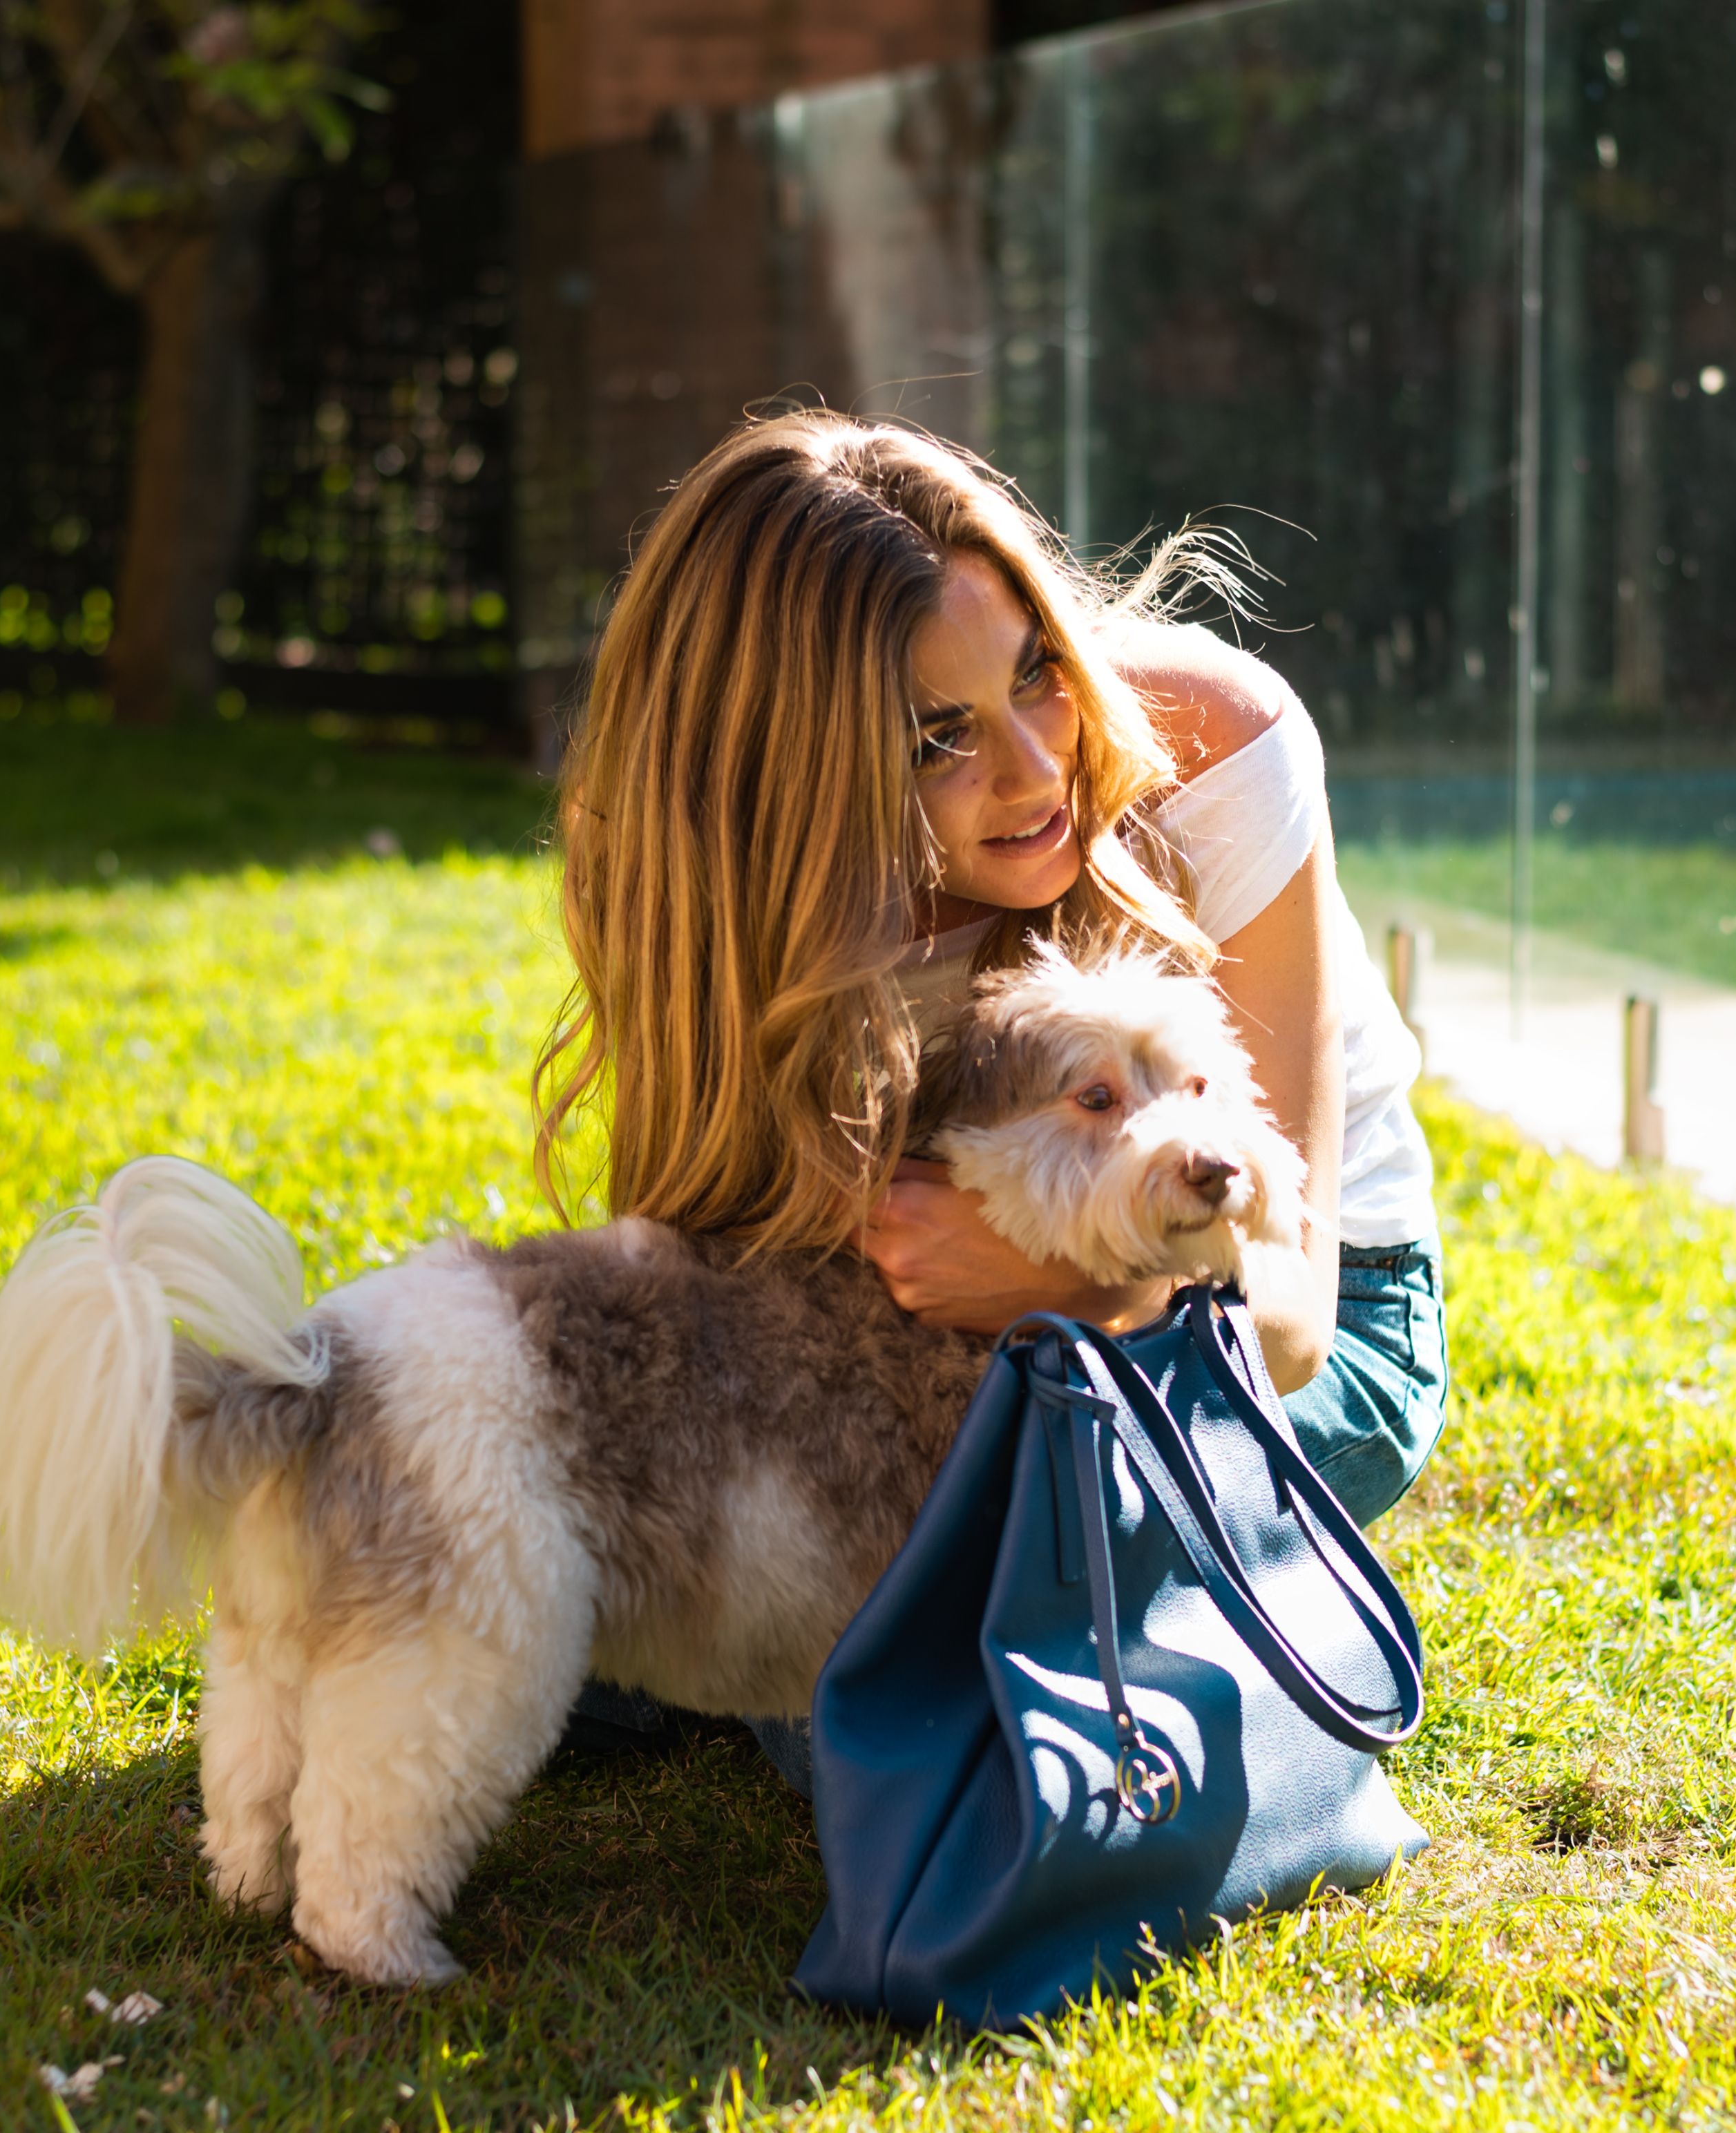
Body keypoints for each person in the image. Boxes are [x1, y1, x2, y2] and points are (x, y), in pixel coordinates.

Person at [535, 411, 1445, 1783]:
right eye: (935, 739)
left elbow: (1293, 1313)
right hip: (898, 1346)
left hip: (1270, 1320)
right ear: (793, 773)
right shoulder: (708, 863)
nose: (1034, 772)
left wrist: (1059, 1291)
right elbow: (710, 1262)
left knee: (897, 1611)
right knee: (775, 1566)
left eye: (1038, 674)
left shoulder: (1218, 742)